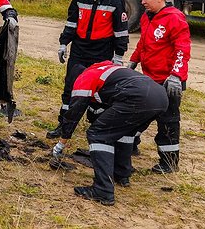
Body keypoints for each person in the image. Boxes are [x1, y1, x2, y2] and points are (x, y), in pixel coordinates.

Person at [51, 61, 168, 206]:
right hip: (160, 96)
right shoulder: (105, 69)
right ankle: (121, 174)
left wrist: (61, 142)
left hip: (137, 96)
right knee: (125, 132)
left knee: (98, 135)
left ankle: (103, 190)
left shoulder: (84, 78)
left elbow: (74, 112)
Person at [48, 0, 129, 139]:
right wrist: (63, 43)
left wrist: (118, 56)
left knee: (98, 90)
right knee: (70, 87)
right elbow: (71, 23)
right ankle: (64, 124)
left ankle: (95, 126)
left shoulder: (115, 0)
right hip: (79, 50)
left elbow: (121, 31)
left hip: (102, 52)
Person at [128, 0, 191, 174]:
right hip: (150, 78)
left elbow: (182, 49)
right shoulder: (147, 17)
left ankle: (169, 163)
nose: (143, 2)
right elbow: (143, 43)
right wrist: (133, 61)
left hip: (168, 81)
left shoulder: (174, 18)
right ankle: (129, 145)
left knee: (168, 121)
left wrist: (176, 76)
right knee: (139, 113)